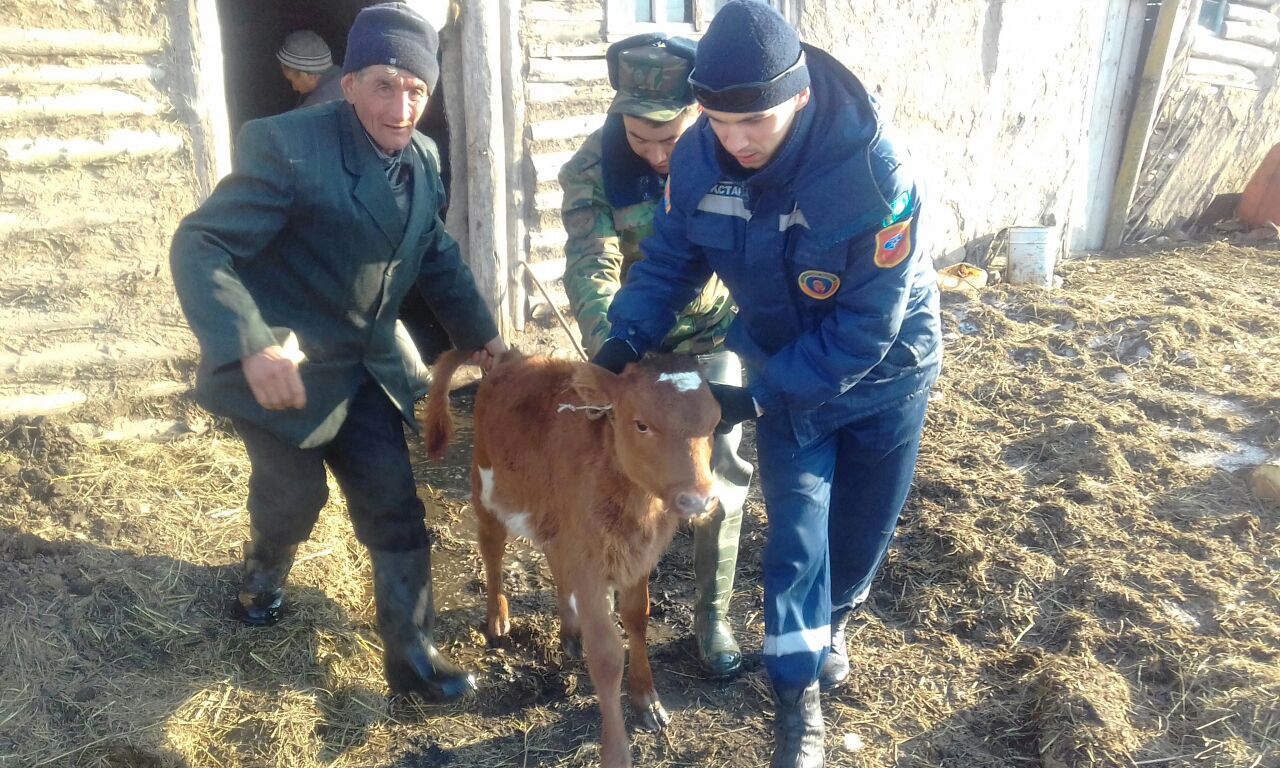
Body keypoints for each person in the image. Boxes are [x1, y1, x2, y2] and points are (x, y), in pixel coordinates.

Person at [591, 2, 941, 765]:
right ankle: (797, 710)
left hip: (888, 376)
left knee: (857, 540)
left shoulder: (874, 176)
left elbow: (866, 331)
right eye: (719, 122)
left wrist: (749, 398)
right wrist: (627, 334)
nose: (737, 141)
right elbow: (671, 259)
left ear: (801, 96)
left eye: (755, 121)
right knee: (796, 541)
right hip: (787, 376)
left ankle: (836, 619)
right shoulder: (700, 159)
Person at [171, 2, 505, 703]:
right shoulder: (287, 147)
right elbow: (202, 244)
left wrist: (480, 333)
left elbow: (433, 252)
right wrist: (251, 344)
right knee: (294, 499)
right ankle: (263, 575)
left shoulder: (423, 158)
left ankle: (412, 659)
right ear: (348, 84)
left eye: (416, 89)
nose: (401, 107)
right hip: (285, 369)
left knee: (394, 503)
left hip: (365, 368)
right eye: (384, 85)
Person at [558, 34, 752, 679]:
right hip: (635, 347)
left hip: (710, 339)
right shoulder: (592, 167)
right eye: (641, 137)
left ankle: (712, 615)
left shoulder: (730, 153)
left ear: (697, 112)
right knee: (617, 469)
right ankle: (608, 586)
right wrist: (610, 350)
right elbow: (591, 260)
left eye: (671, 136)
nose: (658, 154)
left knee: (717, 470)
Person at [276, 30, 345, 109]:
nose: (294, 88)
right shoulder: (343, 75)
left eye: (292, 80)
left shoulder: (314, 109)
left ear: (308, 75)